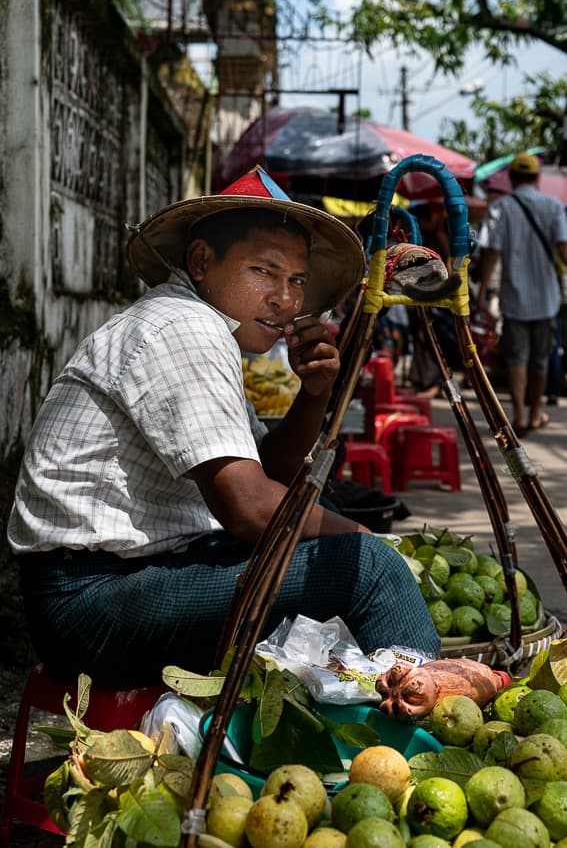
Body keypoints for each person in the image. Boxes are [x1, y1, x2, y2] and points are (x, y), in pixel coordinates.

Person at [7, 167, 441, 687]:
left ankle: (356, 711)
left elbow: (271, 473)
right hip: (91, 603)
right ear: (201, 261)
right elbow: (251, 510)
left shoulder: (198, 324)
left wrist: (314, 395)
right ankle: (416, 735)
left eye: (297, 281)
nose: (286, 299)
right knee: (371, 570)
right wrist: (368, 541)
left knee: (336, 542)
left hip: (136, 578)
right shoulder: (185, 327)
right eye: (265, 271)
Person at [477, 152, 567, 436]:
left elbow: (492, 252)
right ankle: (536, 412)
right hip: (547, 298)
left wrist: (481, 292)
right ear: (537, 178)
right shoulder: (554, 207)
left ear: (512, 178)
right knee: (540, 359)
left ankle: (518, 415)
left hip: (514, 296)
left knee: (517, 358)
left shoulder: (500, 208)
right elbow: (564, 248)